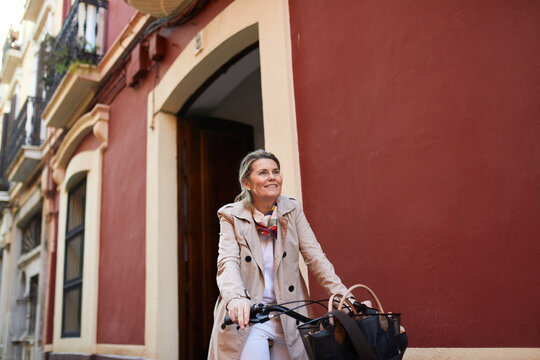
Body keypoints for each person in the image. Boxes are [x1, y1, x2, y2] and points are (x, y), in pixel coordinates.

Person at [207, 149, 351, 360]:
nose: (272, 176)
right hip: (251, 317)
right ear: (247, 183)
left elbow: (315, 257)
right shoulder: (231, 216)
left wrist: (342, 296)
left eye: (275, 171)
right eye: (263, 172)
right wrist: (237, 299)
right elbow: (227, 261)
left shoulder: (291, 210)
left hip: (289, 315)